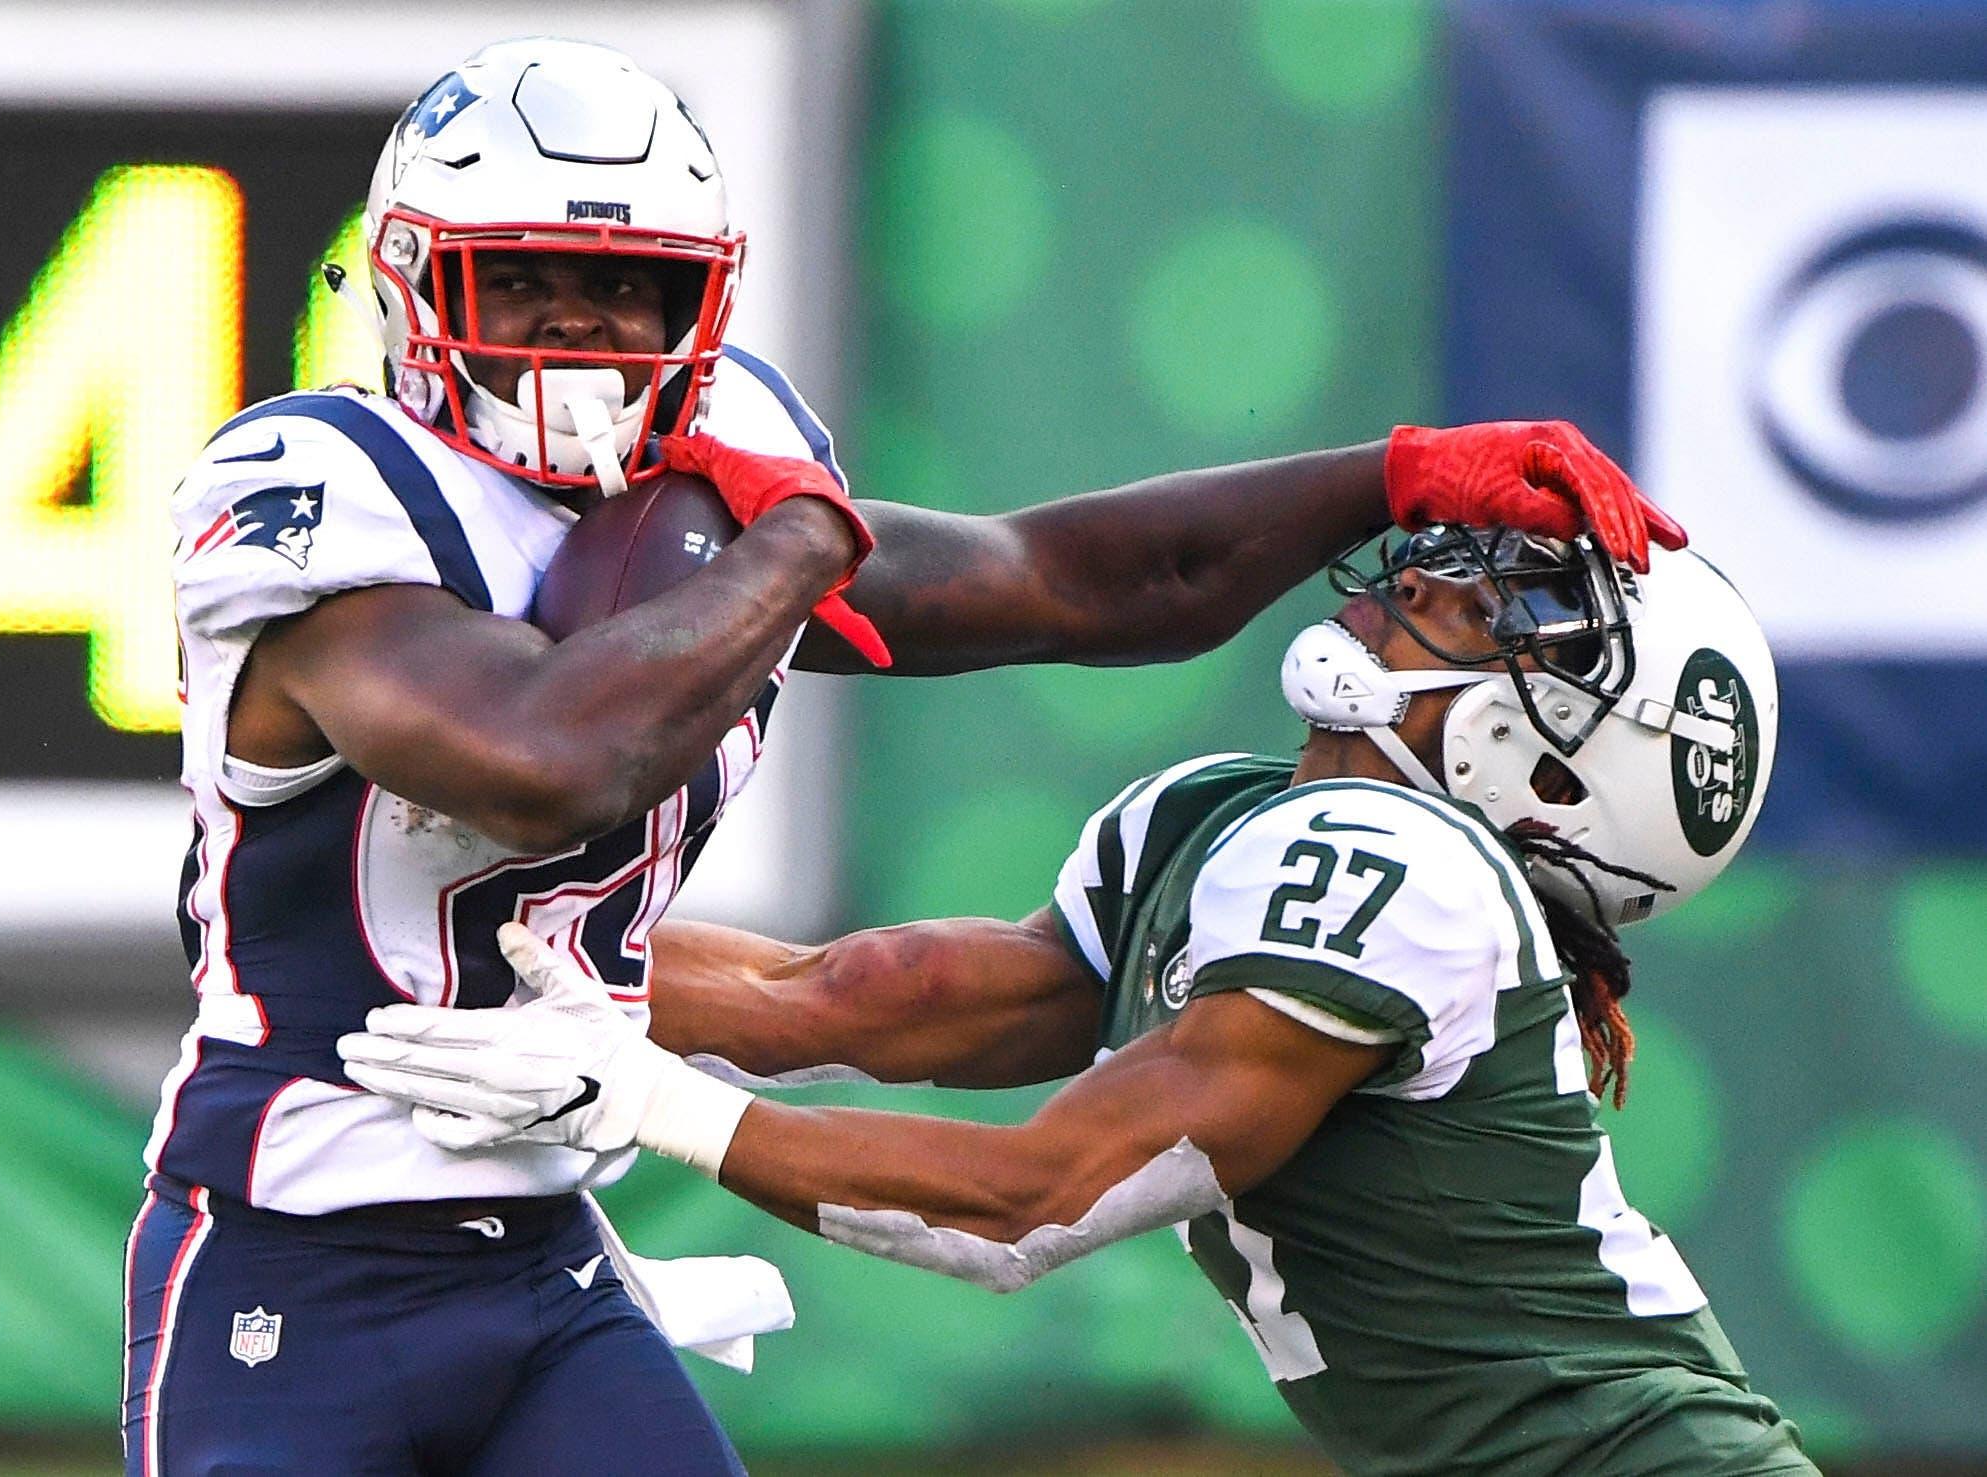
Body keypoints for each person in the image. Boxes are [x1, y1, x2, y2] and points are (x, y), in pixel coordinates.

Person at [129, 29, 1684, 1477]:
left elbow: (1068, 582)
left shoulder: (716, 486)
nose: (582, 331)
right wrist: (799, 529)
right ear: (415, 282)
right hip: (291, 1247)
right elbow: (546, 762)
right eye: (523, 277)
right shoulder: (323, 483)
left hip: (541, 1251)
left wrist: (1386, 473)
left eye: (629, 291)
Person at [344, 525, 1815, 1476]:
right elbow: (877, 996)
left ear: (1561, 771)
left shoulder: (1400, 871)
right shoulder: (1233, 820)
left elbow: (1027, 1202)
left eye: (1521, 614)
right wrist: (473, 944)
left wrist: (652, 1101)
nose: (1427, 582)